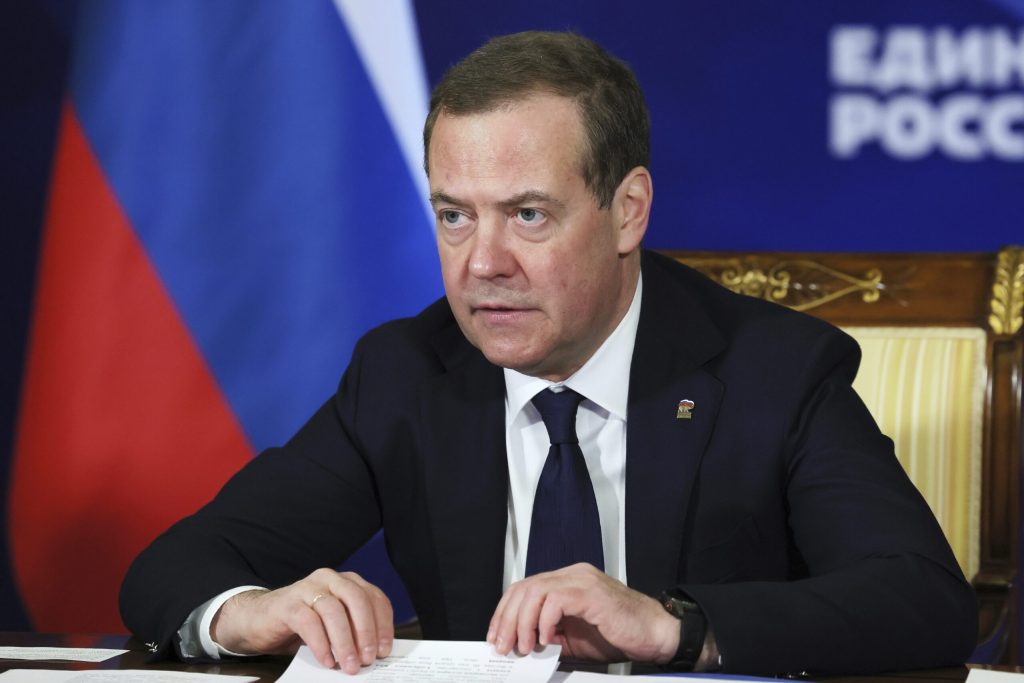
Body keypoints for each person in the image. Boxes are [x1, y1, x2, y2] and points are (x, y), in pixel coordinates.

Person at [120, 31, 977, 676]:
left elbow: (922, 597)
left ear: (627, 211)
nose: (482, 263)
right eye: (455, 215)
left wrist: (676, 627)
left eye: (528, 214)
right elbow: (173, 567)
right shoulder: (407, 373)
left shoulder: (773, 370)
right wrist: (248, 611)